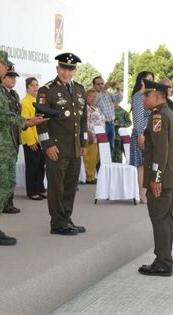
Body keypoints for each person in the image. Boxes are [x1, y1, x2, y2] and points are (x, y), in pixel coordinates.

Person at [0, 49, 46, 246]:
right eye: (4, 64)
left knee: (7, 183)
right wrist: (27, 122)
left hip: (5, 141)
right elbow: (1, 113)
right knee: (0, 184)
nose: (6, 67)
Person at [36, 53, 87, 236]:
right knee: (56, 186)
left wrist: (83, 142)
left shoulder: (80, 90)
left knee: (70, 185)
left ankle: (66, 218)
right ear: (57, 69)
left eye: (71, 69)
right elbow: (41, 121)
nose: (67, 73)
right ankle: (57, 222)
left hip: (74, 148)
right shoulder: (47, 90)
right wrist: (47, 144)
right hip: (56, 147)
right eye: (64, 68)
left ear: (75, 71)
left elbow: (83, 119)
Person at [138, 82, 173, 277]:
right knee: (166, 219)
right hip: (172, 175)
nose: (143, 99)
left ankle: (163, 263)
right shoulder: (170, 114)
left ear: (156, 97)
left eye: (146, 96)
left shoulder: (159, 117)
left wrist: (155, 179)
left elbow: (160, 151)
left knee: (160, 220)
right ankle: (164, 260)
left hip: (162, 178)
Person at [130, 71, 155, 203]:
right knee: (142, 165)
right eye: (148, 79)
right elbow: (138, 118)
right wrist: (140, 134)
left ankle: (145, 192)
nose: (150, 81)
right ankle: (142, 194)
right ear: (141, 80)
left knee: (148, 164)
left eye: (152, 79)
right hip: (142, 134)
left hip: (150, 133)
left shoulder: (148, 95)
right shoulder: (139, 96)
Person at [21, 77, 47, 200]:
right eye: (32, 85)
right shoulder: (25, 102)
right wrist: (31, 141)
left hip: (40, 139)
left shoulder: (39, 101)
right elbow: (25, 124)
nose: (36, 87)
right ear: (27, 88)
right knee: (32, 166)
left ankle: (40, 188)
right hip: (31, 140)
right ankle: (32, 191)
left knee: (41, 166)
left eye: (37, 85)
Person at [0, 66, 22, 213]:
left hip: (14, 137)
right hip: (3, 138)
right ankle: (1, 203)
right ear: (2, 78)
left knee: (11, 173)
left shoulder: (14, 94)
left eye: (14, 76)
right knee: (2, 174)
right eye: (10, 76)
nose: (14, 79)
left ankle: (9, 201)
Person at [93, 75, 123, 153]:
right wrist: (104, 89)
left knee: (111, 147)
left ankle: (109, 164)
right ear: (94, 86)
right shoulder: (93, 95)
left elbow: (118, 100)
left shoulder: (108, 93)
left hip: (111, 124)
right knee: (101, 147)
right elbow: (95, 101)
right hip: (101, 125)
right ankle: (99, 165)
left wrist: (118, 88)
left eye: (102, 83)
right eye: (98, 84)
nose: (100, 85)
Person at [84, 89, 106, 184]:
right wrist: (88, 132)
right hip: (91, 135)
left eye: (95, 96)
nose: (93, 98)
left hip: (99, 136)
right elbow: (85, 121)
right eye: (90, 96)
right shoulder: (85, 108)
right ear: (86, 97)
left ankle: (92, 174)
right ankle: (89, 177)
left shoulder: (96, 108)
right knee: (90, 157)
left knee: (96, 157)